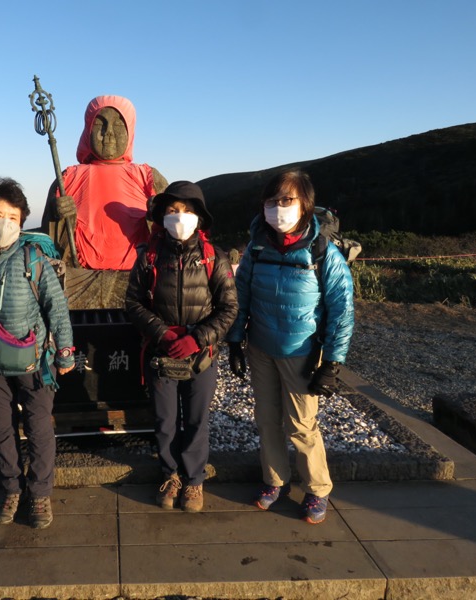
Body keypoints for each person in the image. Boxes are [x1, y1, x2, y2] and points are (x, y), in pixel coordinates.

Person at [226, 170, 355, 524]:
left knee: (302, 425)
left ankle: (317, 488)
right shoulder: (258, 245)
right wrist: (236, 341)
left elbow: (342, 309)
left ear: (305, 205)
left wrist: (332, 363)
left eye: (286, 201)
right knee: (267, 421)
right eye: (271, 201)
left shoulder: (322, 252)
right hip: (261, 348)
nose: (278, 208)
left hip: (301, 352)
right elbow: (242, 294)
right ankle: (274, 481)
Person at [0, 177, 75, 529]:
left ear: (22, 223)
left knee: (38, 429)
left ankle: (39, 495)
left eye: (13, 217)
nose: (4, 222)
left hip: (35, 362)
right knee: (1, 428)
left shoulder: (33, 258)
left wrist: (65, 353)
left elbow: (57, 309)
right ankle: (11, 488)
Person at [126, 181, 238, 512]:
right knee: (164, 419)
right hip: (162, 352)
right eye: (172, 210)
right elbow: (132, 302)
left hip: (202, 354)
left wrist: (196, 338)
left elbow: (229, 308)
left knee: (197, 419)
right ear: (161, 217)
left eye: (187, 210)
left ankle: (194, 481)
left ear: (199, 217)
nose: (180, 216)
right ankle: (169, 474)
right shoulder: (148, 258)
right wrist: (163, 334)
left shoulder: (214, 258)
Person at [41, 95, 168, 270]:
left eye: (117, 125)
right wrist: (59, 216)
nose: (108, 132)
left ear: (130, 130)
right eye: (100, 124)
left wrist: (159, 213)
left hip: (138, 275)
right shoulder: (68, 178)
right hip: (79, 273)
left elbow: (174, 223)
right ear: (88, 130)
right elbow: (47, 237)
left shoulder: (147, 176)